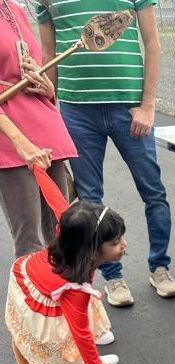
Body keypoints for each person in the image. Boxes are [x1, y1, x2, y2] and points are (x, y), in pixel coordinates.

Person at [36, 0, 175, 307]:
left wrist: (148, 105)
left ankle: (160, 268)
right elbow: (49, 55)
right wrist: (47, 116)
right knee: (90, 200)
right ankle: (112, 276)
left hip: (129, 109)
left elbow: (153, 43)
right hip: (77, 111)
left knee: (153, 191)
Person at [5, 167, 124, 364]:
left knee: (83, 315)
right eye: (116, 242)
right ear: (92, 248)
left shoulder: (74, 227)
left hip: (56, 281)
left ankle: (91, 354)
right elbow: (80, 331)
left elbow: (55, 198)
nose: (124, 245)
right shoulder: (75, 290)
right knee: (21, 332)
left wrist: (37, 169)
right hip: (29, 284)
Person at [0, 0, 76, 257]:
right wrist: (20, 143)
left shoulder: (14, 8)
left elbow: (30, 64)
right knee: (29, 242)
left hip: (44, 126)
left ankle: (64, 296)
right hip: (10, 139)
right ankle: (31, 297)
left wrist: (48, 87)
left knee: (60, 230)